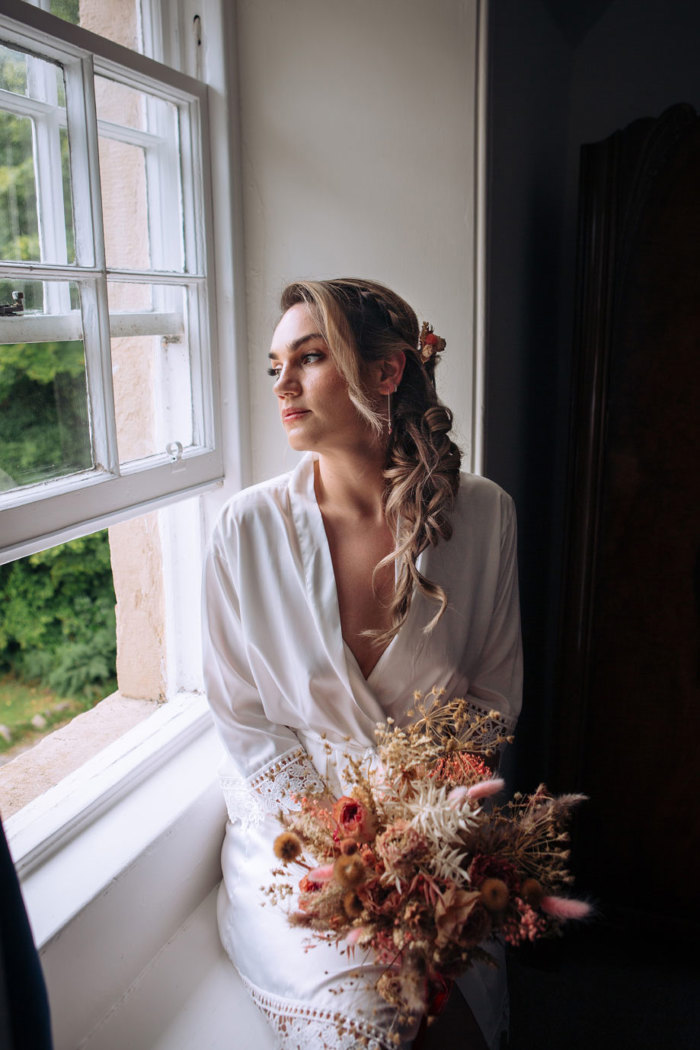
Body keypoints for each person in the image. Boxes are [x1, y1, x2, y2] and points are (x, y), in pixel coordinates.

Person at [202, 278, 522, 1050]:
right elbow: (243, 720)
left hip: (433, 827)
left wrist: (422, 832)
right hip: (295, 840)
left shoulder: (482, 515)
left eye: (309, 358)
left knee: (450, 1009)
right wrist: (340, 845)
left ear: (388, 373)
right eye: (275, 363)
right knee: (369, 1030)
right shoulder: (244, 531)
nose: (282, 382)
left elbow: (493, 696)